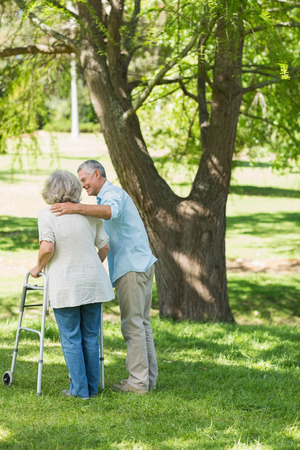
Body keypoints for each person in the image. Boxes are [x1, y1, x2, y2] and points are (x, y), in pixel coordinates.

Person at [51, 160, 158, 394]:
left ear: (97, 174)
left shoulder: (113, 194)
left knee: (133, 325)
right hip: (139, 264)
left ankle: (138, 383)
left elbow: (111, 213)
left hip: (132, 267)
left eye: (85, 180)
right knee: (142, 324)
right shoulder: (104, 197)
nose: (83, 186)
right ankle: (147, 380)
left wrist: (75, 208)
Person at [30, 169, 114, 400]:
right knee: (90, 336)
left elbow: (47, 248)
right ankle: (91, 389)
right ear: (75, 189)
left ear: (50, 191)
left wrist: (37, 268)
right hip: (93, 283)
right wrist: (89, 267)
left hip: (66, 284)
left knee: (71, 337)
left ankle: (79, 391)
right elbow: (104, 247)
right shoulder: (89, 214)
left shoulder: (47, 214)